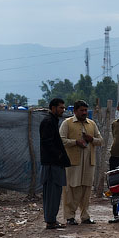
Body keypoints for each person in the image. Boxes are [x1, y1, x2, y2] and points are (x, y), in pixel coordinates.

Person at [59, 100, 103, 225]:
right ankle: (70, 217)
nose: (84, 113)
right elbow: (61, 140)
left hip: (89, 163)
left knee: (86, 189)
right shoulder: (67, 123)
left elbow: (100, 140)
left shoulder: (91, 124)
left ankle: (85, 216)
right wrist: (75, 142)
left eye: (85, 110)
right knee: (71, 189)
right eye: (81, 110)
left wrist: (91, 139)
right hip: (73, 162)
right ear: (75, 111)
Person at [39, 98, 70, 229]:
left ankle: (51, 219)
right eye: (61, 108)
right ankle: (51, 221)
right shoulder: (48, 122)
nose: (63, 110)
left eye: (63, 108)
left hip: (53, 163)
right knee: (52, 192)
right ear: (53, 108)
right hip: (52, 164)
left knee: (53, 193)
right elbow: (47, 142)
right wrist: (59, 155)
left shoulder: (52, 121)